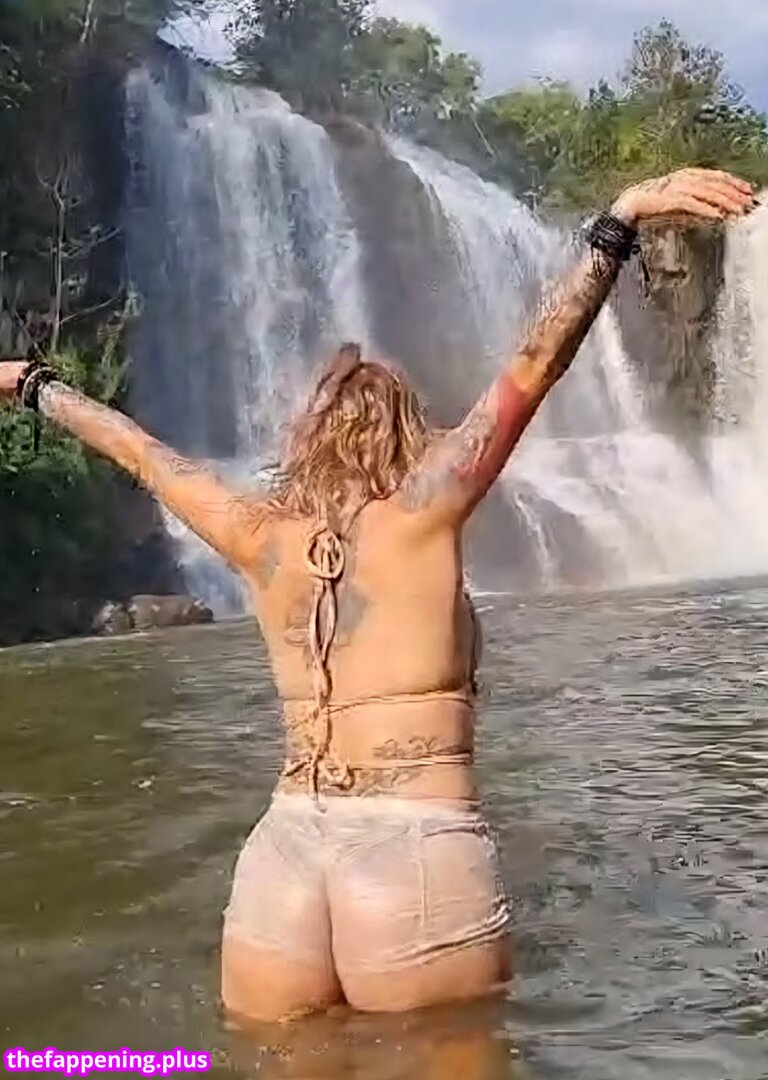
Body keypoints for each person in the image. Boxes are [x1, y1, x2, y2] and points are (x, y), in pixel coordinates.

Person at [0, 168, 754, 1026]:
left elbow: (138, 450)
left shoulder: (253, 533)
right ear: (406, 433)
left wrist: (33, 383)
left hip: (282, 862)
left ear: (312, 439)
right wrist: (617, 224)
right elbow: (536, 363)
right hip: (414, 850)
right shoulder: (426, 508)